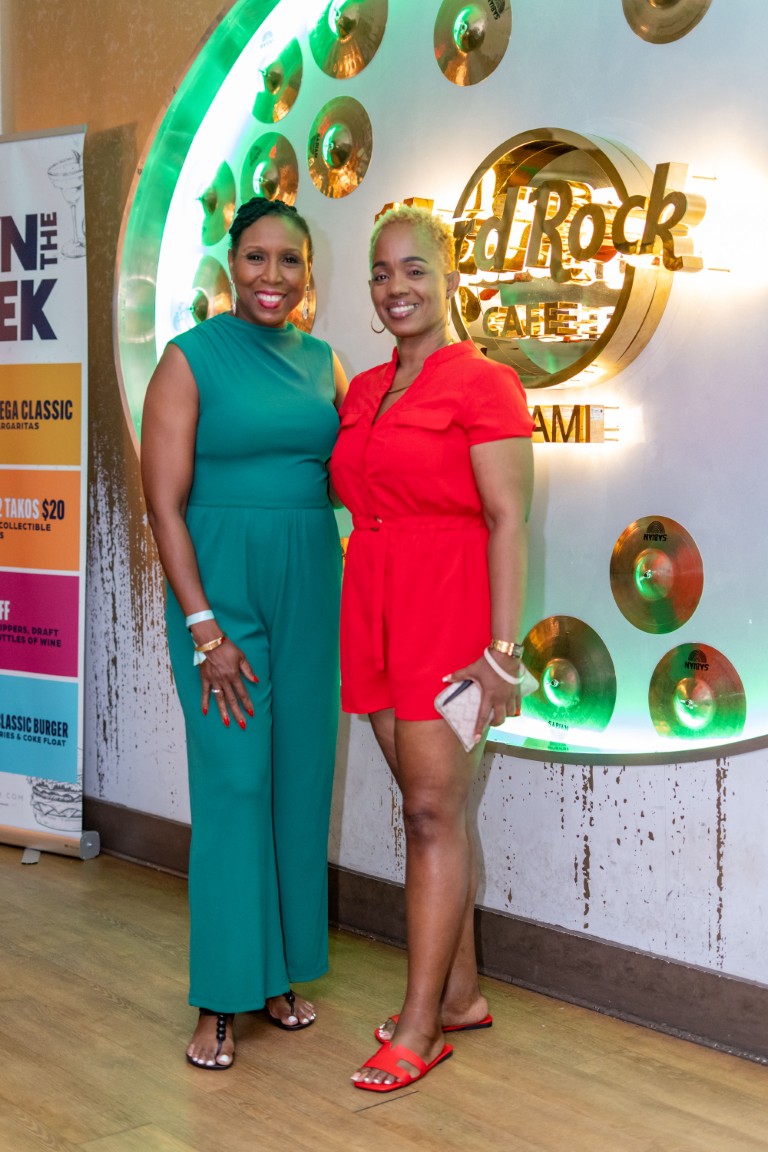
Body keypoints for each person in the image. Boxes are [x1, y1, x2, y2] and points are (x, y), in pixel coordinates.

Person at [329, 205, 534, 1092]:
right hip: (372, 608)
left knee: (430, 815)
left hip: (448, 618)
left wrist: (502, 652)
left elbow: (508, 519)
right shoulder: (364, 390)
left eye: (415, 269)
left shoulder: (486, 383)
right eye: (382, 272)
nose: (397, 287)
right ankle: (460, 994)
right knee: (425, 808)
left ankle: (420, 1029)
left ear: (449, 278)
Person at [141, 196, 347, 1070]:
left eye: (289, 260)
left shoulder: (324, 362)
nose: (273, 276)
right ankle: (221, 995)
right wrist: (202, 628)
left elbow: (353, 475)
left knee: (298, 783)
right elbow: (163, 503)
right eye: (256, 257)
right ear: (231, 264)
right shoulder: (189, 360)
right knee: (233, 787)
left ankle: (277, 975)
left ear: (308, 272)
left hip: (312, 587)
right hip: (219, 595)